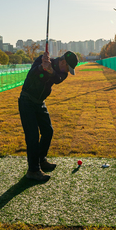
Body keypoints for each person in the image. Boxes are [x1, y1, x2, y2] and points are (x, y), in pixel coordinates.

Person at [18, 50, 78, 181]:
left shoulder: (63, 73)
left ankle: (41, 160)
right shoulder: (41, 60)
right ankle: (33, 170)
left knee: (48, 131)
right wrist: (41, 67)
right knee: (32, 136)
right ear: (63, 62)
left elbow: (57, 79)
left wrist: (50, 70)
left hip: (39, 103)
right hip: (26, 101)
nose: (68, 71)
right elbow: (31, 74)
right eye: (68, 68)